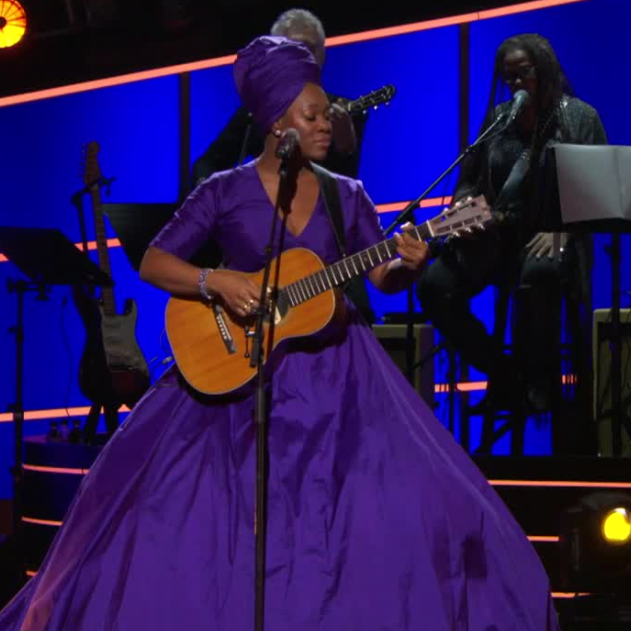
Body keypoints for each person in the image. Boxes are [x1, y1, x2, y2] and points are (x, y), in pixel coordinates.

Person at [0, 36, 559, 631]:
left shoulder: (347, 195)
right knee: (184, 510)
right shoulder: (223, 191)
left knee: (391, 505)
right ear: (275, 124)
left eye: (326, 113)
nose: (327, 124)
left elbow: (383, 277)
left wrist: (410, 264)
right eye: (311, 115)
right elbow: (155, 262)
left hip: (340, 375)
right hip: (239, 372)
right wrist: (217, 280)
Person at [417, 33, 607, 440]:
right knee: (434, 284)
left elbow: (597, 195)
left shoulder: (580, 117)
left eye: (524, 74)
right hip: (497, 240)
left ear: (545, 71)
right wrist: (464, 207)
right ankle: (504, 374)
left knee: (538, 272)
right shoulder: (499, 120)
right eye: (509, 78)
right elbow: (469, 179)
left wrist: (563, 231)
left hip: (556, 239)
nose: (517, 85)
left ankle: (538, 385)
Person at [192, 8, 375, 323]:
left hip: (325, 247)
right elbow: (207, 163)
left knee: (356, 313)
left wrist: (345, 145)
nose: (302, 57)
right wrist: (220, 204)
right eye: (291, 49)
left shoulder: (345, 113)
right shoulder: (255, 114)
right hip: (264, 243)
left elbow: (345, 188)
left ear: (323, 56)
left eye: (310, 48)